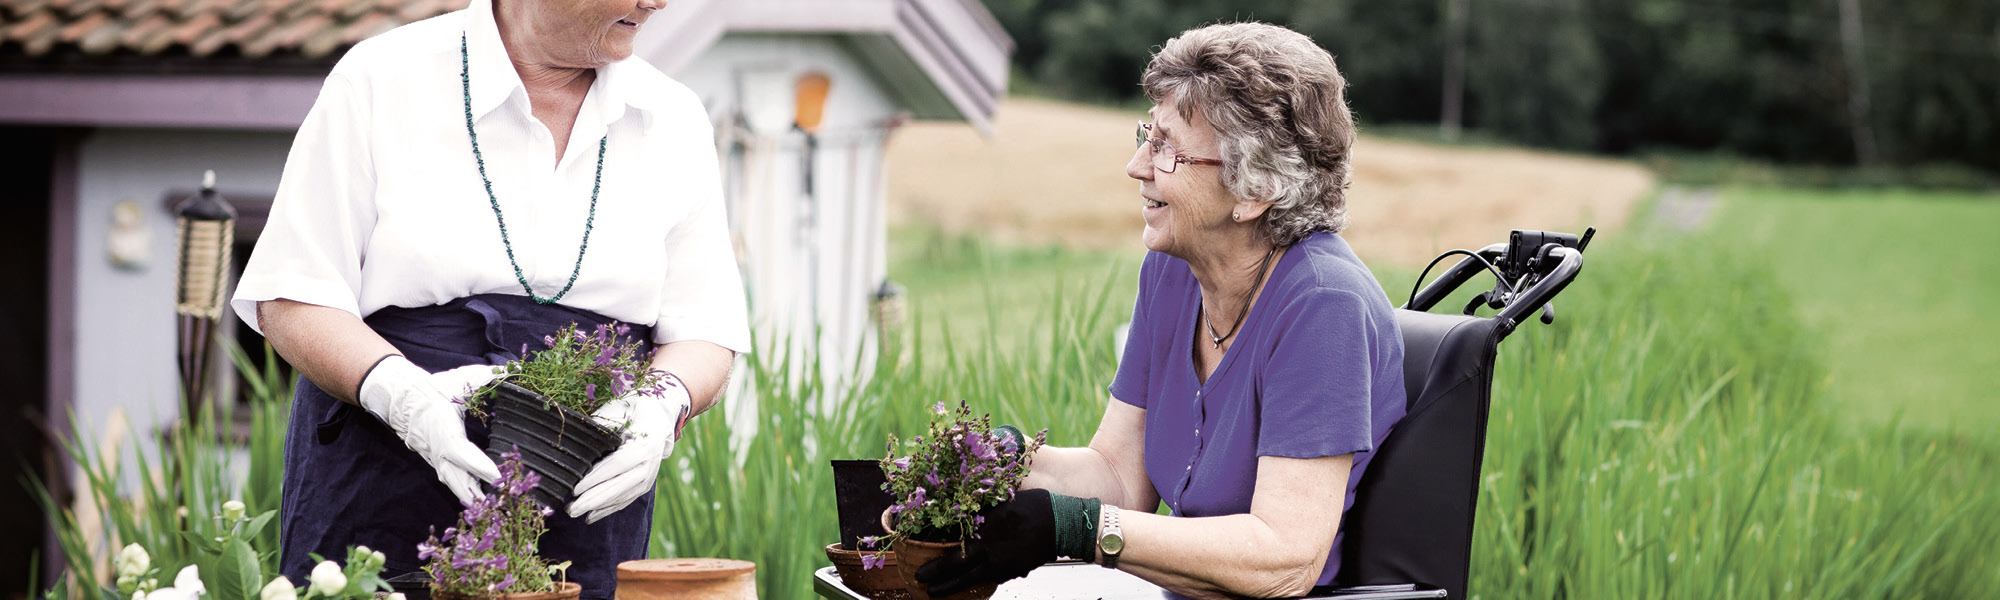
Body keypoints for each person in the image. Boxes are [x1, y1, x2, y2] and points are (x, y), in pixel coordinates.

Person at [230, 0, 749, 596]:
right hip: (378, 479)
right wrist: (400, 396)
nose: (658, 1)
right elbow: (292, 297)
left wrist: (662, 405)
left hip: (580, 503)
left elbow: (706, 330)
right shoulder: (382, 79)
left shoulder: (672, 117)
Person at [913, 23, 1407, 599]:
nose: (1137, 165)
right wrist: (1004, 461)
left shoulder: (1323, 307)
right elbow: (1120, 480)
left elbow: (1284, 557)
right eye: (1148, 134)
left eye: (1168, 147)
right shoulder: (1175, 272)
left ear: (1256, 189)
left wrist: (1078, 529)